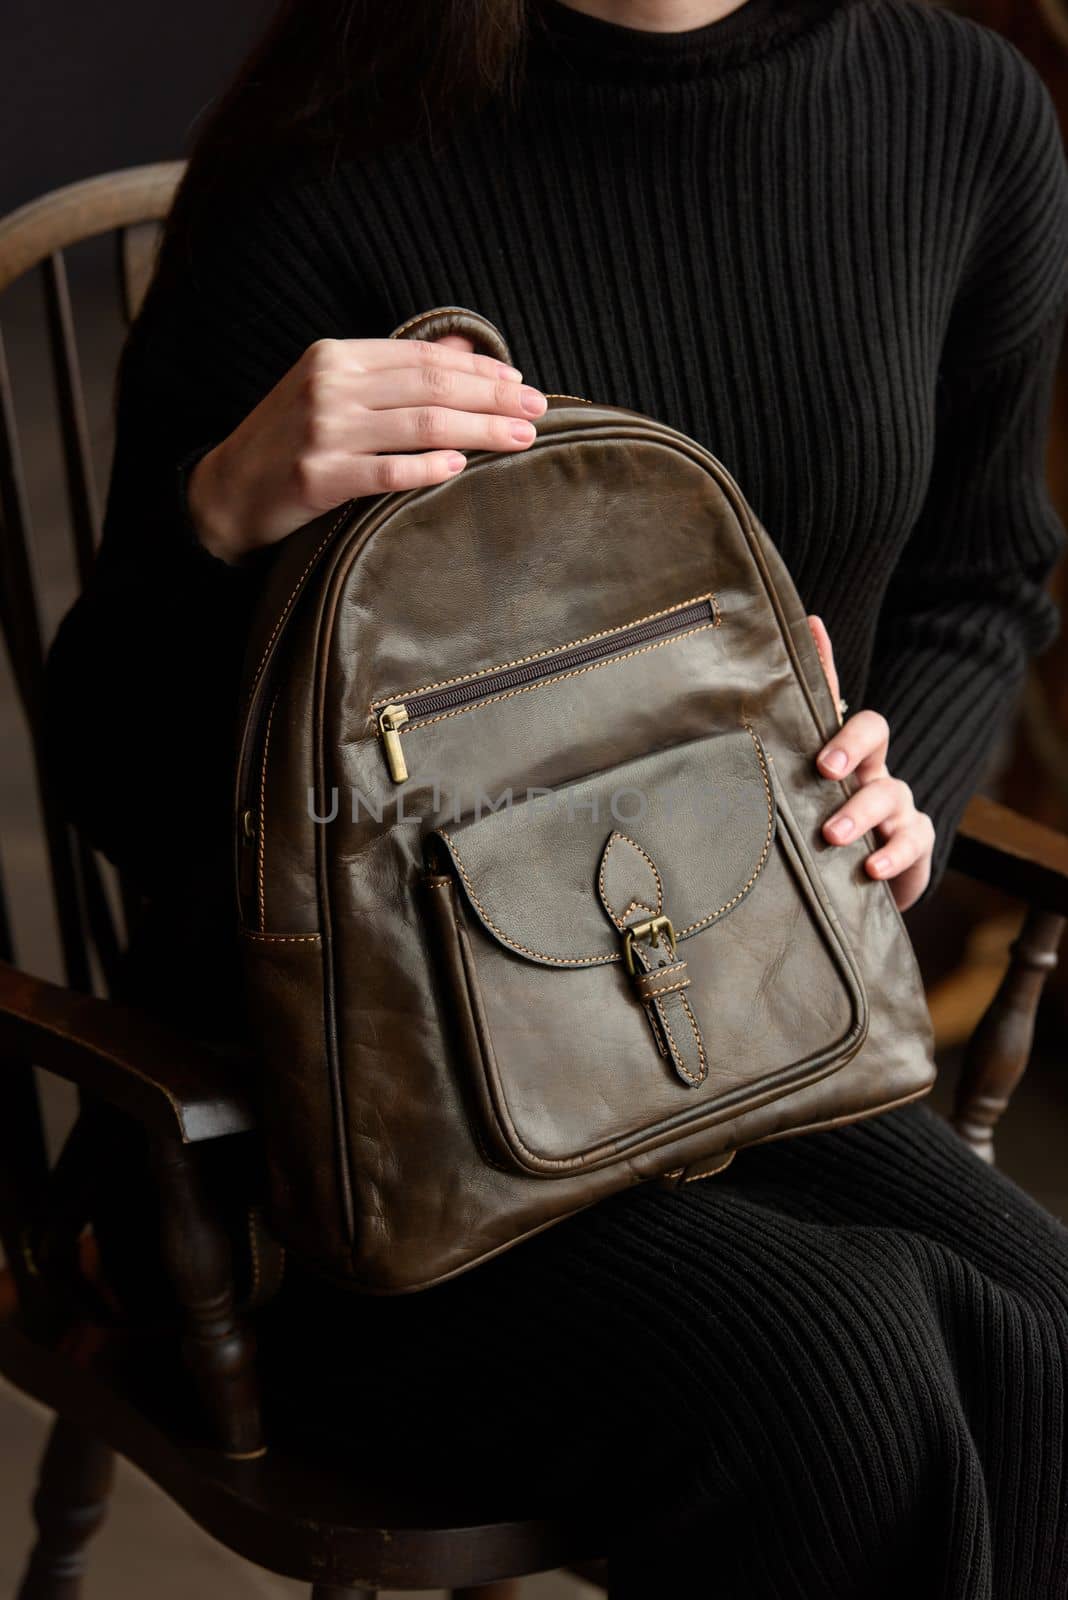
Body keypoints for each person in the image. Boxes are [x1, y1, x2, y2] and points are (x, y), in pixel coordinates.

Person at [46, 0, 1068, 1593]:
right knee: (839, 1376)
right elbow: (112, 760)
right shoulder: (338, 138)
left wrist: (890, 778)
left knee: (1051, 1344)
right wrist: (218, 511)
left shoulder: (964, 107)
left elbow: (983, 573)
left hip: (745, 1018)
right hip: (353, 1119)